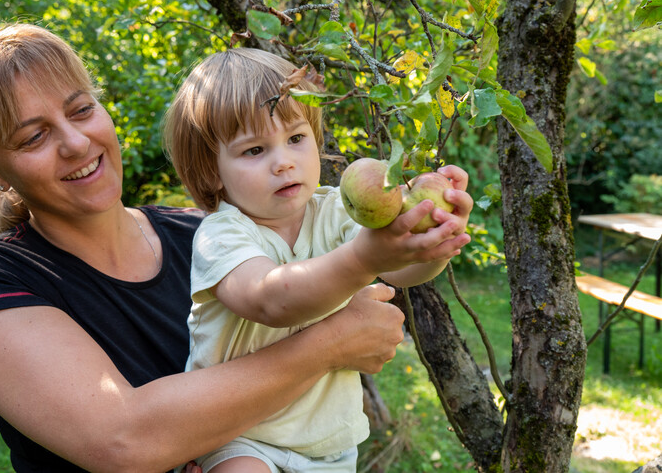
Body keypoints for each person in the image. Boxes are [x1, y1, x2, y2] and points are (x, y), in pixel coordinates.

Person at [0, 23, 408, 473]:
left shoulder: (202, 234)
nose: (76, 142)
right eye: (34, 137)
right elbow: (122, 443)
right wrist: (330, 345)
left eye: (81, 110)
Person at [163, 48, 473, 472]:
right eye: (254, 150)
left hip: (328, 447)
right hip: (239, 437)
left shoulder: (337, 212)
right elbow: (272, 300)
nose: (284, 161)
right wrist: (364, 257)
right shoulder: (222, 234)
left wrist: (434, 238)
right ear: (212, 171)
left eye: (295, 139)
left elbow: (401, 269)